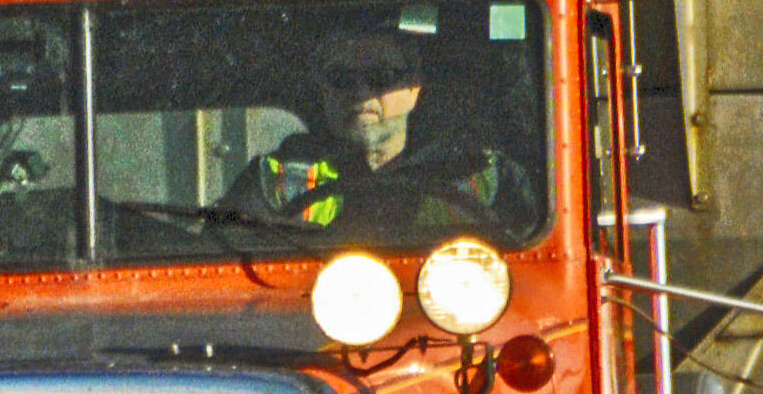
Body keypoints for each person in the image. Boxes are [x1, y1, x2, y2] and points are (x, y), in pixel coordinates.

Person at [224, 28, 532, 238]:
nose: (361, 92)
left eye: (382, 77)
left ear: (414, 89)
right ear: (322, 91)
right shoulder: (275, 180)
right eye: (341, 78)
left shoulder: (485, 177)